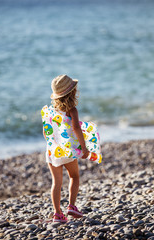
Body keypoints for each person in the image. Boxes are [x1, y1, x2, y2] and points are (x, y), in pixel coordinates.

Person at [41, 75, 95, 223]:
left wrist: (51, 146)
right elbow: (76, 128)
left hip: (52, 151)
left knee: (56, 183)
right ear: (72, 92)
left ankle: (57, 214)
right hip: (67, 150)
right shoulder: (72, 110)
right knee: (74, 176)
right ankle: (71, 206)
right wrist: (84, 148)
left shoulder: (49, 111)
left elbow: (46, 132)